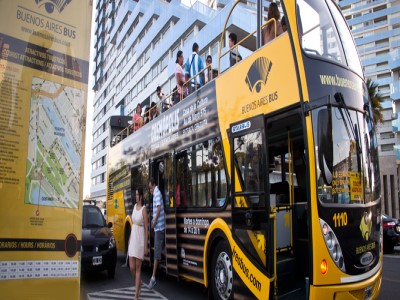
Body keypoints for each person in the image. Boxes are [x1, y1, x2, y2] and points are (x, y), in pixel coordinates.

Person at [128, 187, 149, 300]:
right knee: (131, 267)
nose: (135, 196)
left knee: (137, 268)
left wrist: (146, 246)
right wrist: (130, 239)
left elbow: (146, 228)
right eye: (135, 194)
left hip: (140, 239)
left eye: (136, 194)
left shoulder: (144, 209)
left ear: (141, 196)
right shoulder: (134, 208)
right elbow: (132, 224)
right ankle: (139, 282)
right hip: (133, 239)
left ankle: (136, 295)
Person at [148, 177, 165, 289]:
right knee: (157, 249)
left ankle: (153, 278)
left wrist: (154, 223)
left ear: (153, 185)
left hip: (158, 227)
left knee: (157, 253)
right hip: (158, 227)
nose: (150, 191)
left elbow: (158, 208)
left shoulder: (157, 193)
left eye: (150, 188)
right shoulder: (156, 193)